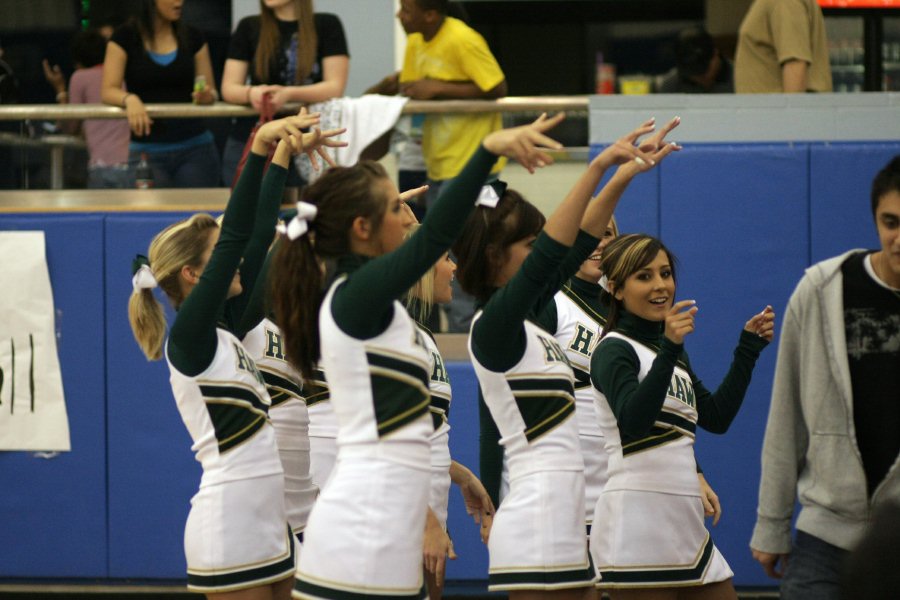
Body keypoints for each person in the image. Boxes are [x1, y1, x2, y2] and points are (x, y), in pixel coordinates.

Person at [270, 113, 565, 600]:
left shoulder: (374, 304)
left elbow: (401, 426)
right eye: (394, 209)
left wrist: (453, 474)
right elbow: (432, 240)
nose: (407, 218)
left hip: (385, 525)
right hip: (360, 530)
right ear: (363, 229)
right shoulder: (353, 294)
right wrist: (487, 146)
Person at [452, 118, 673, 597]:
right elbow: (556, 251)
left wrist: (622, 174)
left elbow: (580, 243)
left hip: (564, 517)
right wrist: (595, 167)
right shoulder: (494, 325)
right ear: (493, 257)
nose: (540, 255)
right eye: (528, 246)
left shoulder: (529, 316)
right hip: (537, 521)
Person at [127, 113, 340, 599]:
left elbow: (258, 229)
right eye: (220, 257)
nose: (240, 261)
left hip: (270, 519)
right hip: (230, 522)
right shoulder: (191, 339)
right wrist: (261, 150)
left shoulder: (229, 328)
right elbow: (240, 235)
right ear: (192, 276)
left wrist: (280, 160)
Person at [588, 233, 774, 598]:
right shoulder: (612, 350)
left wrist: (747, 351)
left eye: (665, 273)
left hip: (684, 515)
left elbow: (716, 418)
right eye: (644, 276)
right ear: (616, 289)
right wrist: (670, 348)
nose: (660, 286)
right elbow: (634, 423)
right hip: (638, 519)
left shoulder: (670, 353)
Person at [749, 155, 900, 600]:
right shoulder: (822, 290)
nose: (899, 238)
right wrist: (771, 523)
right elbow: (786, 415)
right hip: (826, 536)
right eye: (890, 222)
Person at [403, 223, 495, 598]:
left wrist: (458, 473)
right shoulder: (393, 335)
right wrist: (424, 522)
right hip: (401, 515)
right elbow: (387, 440)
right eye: (444, 257)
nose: (454, 267)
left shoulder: (421, 334)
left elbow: (423, 432)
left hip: (427, 507)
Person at [220, 0, 349, 188]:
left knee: (302, 210)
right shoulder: (249, 26)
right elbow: (229, 87)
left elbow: (335, 86)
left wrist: (288, 94)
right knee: (246, 208)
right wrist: (251, 93)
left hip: (304, 141)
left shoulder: (327, 24)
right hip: (253, 138)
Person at [102, 0, 221, 187]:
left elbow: (211, 90)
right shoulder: (124, 37)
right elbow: (108, 90)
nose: (179, 2)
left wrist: (207, 96)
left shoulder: (193, 36)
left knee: (199, 214)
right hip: (146, 150)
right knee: (148, 215)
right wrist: (129, 99)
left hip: (195, 147)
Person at [43, 30, 131, 188]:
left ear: (77, 59)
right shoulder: (119, 75)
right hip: (130, 163)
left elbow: (70, 125)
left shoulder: (80, 77)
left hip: (102, 165)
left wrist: (60, 90)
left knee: (101, 212)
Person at [734, 0, 833, 93]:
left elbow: (795, 63)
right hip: (769, 108)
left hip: (777, 109)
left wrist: (790, 110)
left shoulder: (784, 2)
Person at [656, 27, 734, 94]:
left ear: (715, 54)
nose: (700, 78)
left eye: (703, 70)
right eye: (693, 71)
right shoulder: (671, 85)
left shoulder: (738, 77)